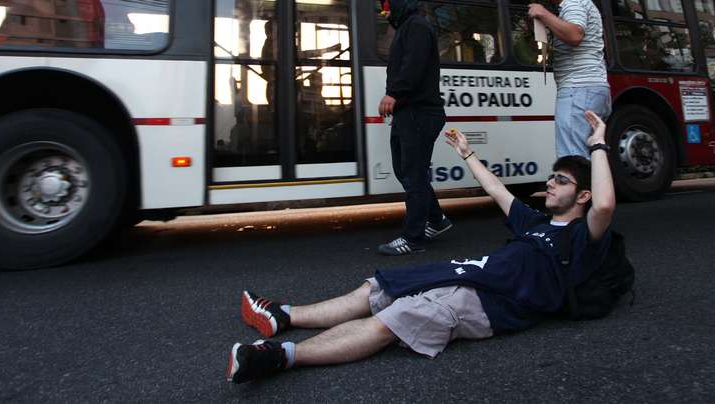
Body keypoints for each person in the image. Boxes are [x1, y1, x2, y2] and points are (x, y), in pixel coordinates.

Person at [225, 111, 617, 384]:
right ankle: (284, 316)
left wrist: (598, 145)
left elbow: (604, 205)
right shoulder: (533, 221)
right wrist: (466, 153)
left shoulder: (583, 238)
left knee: (391, 320)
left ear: (581, 195)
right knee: (376, 288)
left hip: (487, 303)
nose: (550, 184)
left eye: (560, 181)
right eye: (551, 178)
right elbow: (496, 189)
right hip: (464, 275)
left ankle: (280, 356)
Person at [376, 0, 451, 255]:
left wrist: (394, 94)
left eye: (388, 4)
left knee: (413, 175)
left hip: (419, 112)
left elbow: (413, 66)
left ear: (401, 2)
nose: (384, 10)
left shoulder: (417, 26)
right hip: (409, 113)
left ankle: (413, 236)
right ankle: (437, 220)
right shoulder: (407, 26)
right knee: (406, 171)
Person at [528, 0, 611, 158]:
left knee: (573, 158)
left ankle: (582, 189)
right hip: (591, 88)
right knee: (589, 156)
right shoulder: (582, 4)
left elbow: (575, 35)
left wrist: (543, 14)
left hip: (578, 90)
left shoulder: (573, 3)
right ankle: (594, 188)